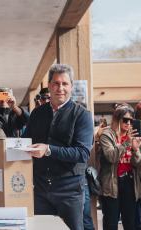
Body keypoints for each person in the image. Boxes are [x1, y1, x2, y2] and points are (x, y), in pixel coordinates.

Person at [22, 63, 94, 230]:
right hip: (40, 188)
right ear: (49, 85)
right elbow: (24, 143)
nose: (60, 88)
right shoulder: (37, 113)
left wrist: (48, 149)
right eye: (56, 83)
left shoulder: (82, 115)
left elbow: (83, 153)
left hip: (70, 189)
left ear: (71, 86)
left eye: (64, 83)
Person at [99, 106, 141, 230]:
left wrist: (135, 149)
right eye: (125, 120)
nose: (129, 124)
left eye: (131, 121)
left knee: (130, 223)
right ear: (117, 119)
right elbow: (111, 157)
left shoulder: (134, 135)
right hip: (111, 183)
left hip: (130, 183)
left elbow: (140, 164)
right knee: (111, 223)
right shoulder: (107, 135)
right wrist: (126, 143)